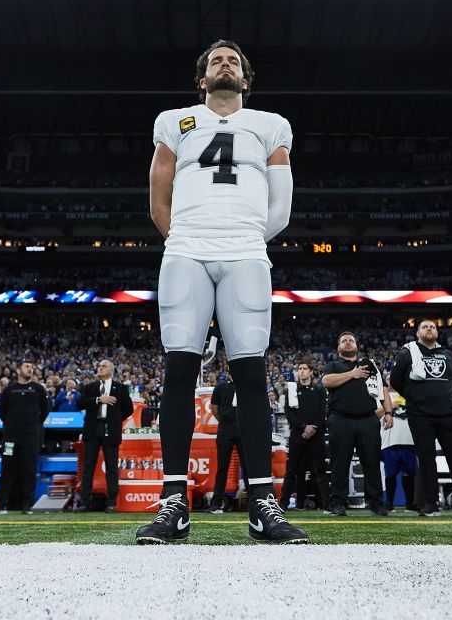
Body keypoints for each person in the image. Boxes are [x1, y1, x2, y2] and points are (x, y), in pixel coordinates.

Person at [135, 39, 305, 545]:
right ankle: (173, 503)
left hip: (246, 254)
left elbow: (281, 206)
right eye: (216, 61)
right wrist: (186, 239)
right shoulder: (175, 120)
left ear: (246, 80)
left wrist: (244, 237)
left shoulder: (271, 125)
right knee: (180, 369)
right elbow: (157, 194)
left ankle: (262, 504)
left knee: (251, 373)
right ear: (202, 79)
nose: (225, 65)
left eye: (233, 61)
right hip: (187, 250)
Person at [388, 319, 452, 517]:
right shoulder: (408, 353)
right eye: (424, 327)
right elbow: (396, 380)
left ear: (437, 332)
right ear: (417, 333)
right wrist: (415, 398)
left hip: (449, 415)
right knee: (426, 461)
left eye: (432, 326)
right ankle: (430, 504)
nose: (429, 329)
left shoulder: (448, 355)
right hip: (420, 414)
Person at [321, 331, 388, 517]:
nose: (348, 343)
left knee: (372, 463)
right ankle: (338, 504)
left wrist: (388, 412)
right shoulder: (333, 365)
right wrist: (352, 374)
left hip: (368, 418)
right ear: (338, 347)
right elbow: (326, 381)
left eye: (351, 340)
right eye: (344, 341)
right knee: (339, 464)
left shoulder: (370, 365)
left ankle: (376, 503)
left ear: (357, 346)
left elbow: (382, 390)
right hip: (340, 419)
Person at [0, 361, 49, 515]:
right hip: (10, 438)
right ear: (18, 370)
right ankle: (1, 505)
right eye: (27, 366)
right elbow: (2, 413)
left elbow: (45, 411)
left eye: (31, 366)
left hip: (30, 438)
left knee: (29, 471)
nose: (30, 368)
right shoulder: (9, 390)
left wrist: (32, 425)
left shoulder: (38, 389)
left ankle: (27, 505)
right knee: (7, 470)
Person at [74, 359, 133, 512]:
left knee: (112, 468)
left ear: (111, 371)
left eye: (103, 366)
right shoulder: (90, 387)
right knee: (88, 467)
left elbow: (129, 409)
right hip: (92, 428)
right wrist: (99, 400)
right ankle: (84, 502)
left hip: (110, 429)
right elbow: (79, 404)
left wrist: (115, 420)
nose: (99, 368)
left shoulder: (120, 388)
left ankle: (111, 503)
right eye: (99, 366)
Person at [281, 363, 327, 511]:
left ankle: (326, 505)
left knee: (319, 471)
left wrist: (313, 427)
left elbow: (323, 412)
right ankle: (283, 504)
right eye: (299, 369)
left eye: (305, 369)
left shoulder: (320, 390)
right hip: (297, 434)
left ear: (311, 372)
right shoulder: (291, 390)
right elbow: (289, 413)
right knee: (291, 471)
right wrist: (303, 427)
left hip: (316, 434)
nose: (301, 371)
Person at [208, 374, 245, 513]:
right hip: (226, 428)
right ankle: (215, 504)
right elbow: (214, 408)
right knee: (222, 467)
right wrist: (224, 422)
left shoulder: (245, 386)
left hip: (242, 428)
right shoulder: (220, 387)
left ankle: (255, 503)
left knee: (247, 466)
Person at [379, 390, 418, 513]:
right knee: (390, 473)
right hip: (390, 440)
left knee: (409, 473)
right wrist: (389, 407)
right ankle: (389, 503)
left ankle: (410, 503)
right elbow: (374, 413)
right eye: (389, 378)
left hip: (409, 439)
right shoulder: (383, 395)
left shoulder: (411, 394)